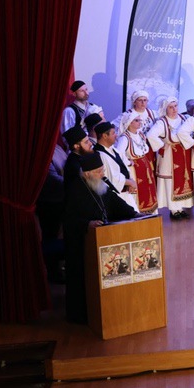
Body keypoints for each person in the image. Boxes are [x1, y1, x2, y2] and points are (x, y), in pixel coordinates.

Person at [62, 153, 137, 324]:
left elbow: (115, 202)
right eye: (98, 171)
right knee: (83, 283)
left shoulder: (100, 184)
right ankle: (83, 317)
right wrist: (87, 224)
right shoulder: (75, 190)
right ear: (87, 173)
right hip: (82, 245)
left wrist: (134, 214)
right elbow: (68, 220)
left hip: (103, 240)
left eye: (102, 170)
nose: (102, 174)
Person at [147, 96, 194, 219]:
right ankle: (174, 210)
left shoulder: (184, 118)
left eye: (175, 106)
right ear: (166, 109)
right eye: (170, 107)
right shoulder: (162, 122)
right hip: (170, 156)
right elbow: (151, 135)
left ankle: (181, 207)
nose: (174, 109)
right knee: (171, 182)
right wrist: (162, 145)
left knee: (184, 180)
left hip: (184, 154)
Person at [115, 112, 158, 214]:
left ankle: (152, 215)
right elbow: (119, 154)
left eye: (140, 120)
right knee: (138, 192)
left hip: (145, 168)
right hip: (134, 170)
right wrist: (128, 162)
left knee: (148, 190)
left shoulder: (141, 135)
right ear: (129, 123)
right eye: (136, 120)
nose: (140, 122)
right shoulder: (124, 138)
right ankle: (139, 216)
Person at [93, 121, 138, 211]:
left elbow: (125, 168)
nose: (116, 135)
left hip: (125, 193)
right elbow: (111, 178)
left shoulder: (114, 150)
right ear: (105, 136)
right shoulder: (99, 154)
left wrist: (130, 181)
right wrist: (129, 182)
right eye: (113, 133)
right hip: (115, 196)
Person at [62, 125, 95, 190]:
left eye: (89, 140)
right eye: (86, 142)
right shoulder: (74, 166)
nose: (91, 144)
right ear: (76, 146)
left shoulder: (83, 156)